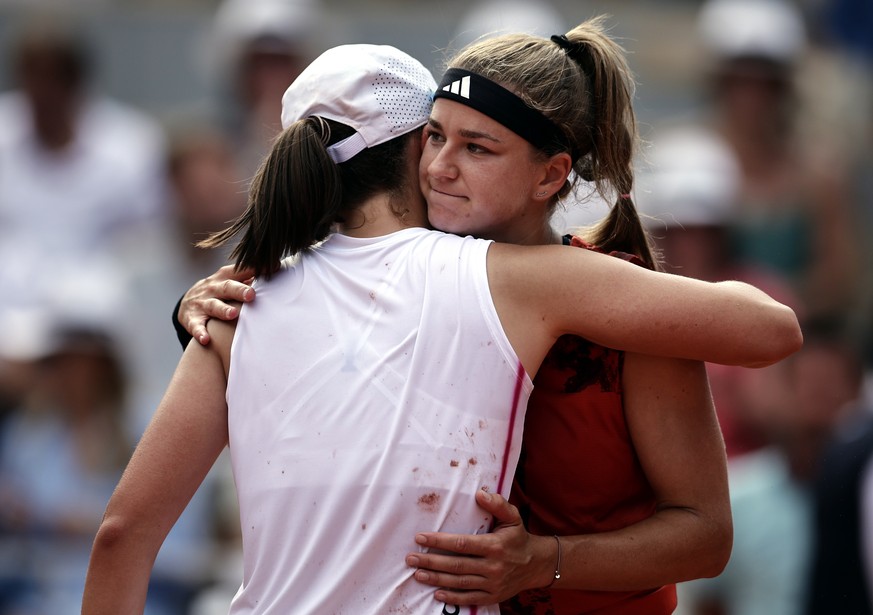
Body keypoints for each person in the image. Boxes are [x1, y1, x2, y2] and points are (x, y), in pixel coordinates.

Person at [171, 20, 799, 614]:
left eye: (477, 147)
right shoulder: (397, 279)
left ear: (551, 175)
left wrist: (542, 561)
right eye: (435, 137)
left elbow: (707, 535)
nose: (441, 167)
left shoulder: (616, 305)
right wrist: (204, 315)